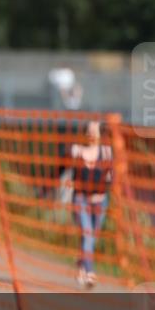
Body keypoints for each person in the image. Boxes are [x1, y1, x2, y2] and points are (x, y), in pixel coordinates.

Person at [61, 121, 112, 288]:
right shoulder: (77, 151)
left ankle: (82, 263)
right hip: (80, 199)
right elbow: (61, 167)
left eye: (95, 131)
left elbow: (114, 176)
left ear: (100, 134)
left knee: (92, 238)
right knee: (88, 234)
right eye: (89, 131)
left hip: (100, 201)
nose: (91, 134)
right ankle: (89, 272)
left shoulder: (106, 152)